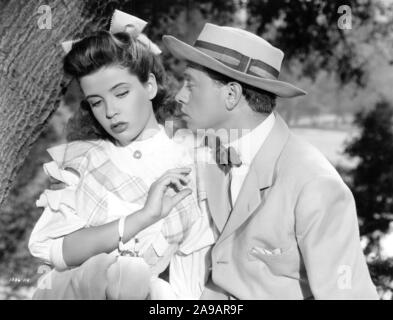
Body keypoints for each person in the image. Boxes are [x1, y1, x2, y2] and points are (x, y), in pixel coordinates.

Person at [163, 23, 379, 299]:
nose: (180, 95)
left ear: (231, 95)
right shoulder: (206, 152)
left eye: (190, 84)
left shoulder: (315, 184)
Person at [28, 11, 214, 300]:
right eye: (97, 102)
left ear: (149, 86)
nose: (110, 112)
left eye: (121, 93)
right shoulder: (84, 160)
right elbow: (55, 251)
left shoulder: (193, 160)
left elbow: (191, 264)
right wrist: (142, 218)